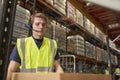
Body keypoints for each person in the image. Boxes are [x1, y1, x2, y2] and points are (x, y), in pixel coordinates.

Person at [7, 13, 64, 80]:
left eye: (43, 24)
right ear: (32, 26)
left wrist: (62, 76)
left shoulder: (52, 44)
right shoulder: (22, 44)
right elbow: (11, 69)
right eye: (37, 24)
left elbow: (58, 67)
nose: (41, 27)